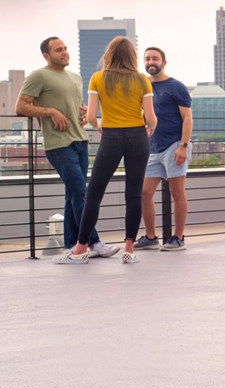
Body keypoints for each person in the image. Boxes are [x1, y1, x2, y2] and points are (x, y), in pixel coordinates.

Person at [55, 37, 157, 265]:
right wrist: (150, 127)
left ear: (108, 54)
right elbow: (150, 118)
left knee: (93, 195)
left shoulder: (98, 78)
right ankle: (129, 250)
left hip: (111, 137)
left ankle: (80, 249)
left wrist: (100, 126)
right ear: (132, 55)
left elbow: (90, 116)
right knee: (133, 194)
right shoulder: (142, 80)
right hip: (138, 138)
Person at [16, 37, 120, 259]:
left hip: (80, 141)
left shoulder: (76, 77)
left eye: (65, 48)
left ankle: (71, 244)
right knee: (82, 194)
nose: (64, 52)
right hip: (58, 144)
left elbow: (75, 109)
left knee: (73, 195)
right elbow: (21, 106)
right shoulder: (39, 75)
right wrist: (50, 112)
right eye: (58, 50)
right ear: (47, 55)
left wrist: (82, 112)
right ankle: (94, 242)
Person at [135, 47, 193, 252]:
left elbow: (187, 118)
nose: (151, 61)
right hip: (153, 148)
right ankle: (151, 237)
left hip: (174, 145)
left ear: (164, 62)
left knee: (177, 192)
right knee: (143, 193)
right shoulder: (144, 86)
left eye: (155, 58)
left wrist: (183, 146)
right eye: (148, 58)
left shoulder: (175, 86)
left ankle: (178, 238)